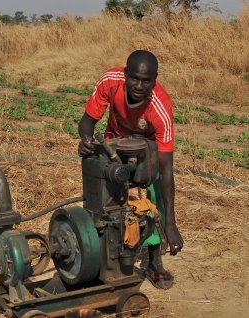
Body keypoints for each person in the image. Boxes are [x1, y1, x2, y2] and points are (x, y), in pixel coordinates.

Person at [77, 50, 184, 289]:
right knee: (103, 195)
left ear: (155, 79)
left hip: (147, 150)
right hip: (113, 141)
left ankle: (154, 259)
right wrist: (85, 140)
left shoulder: (161, 106)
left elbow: (167, 171)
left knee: (153, 195)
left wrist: (171, 224)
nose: (139, 85)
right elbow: (87, 122)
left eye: (146, 81)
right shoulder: (110, 82)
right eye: (134, 78)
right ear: (125, 74)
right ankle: (102, 256)